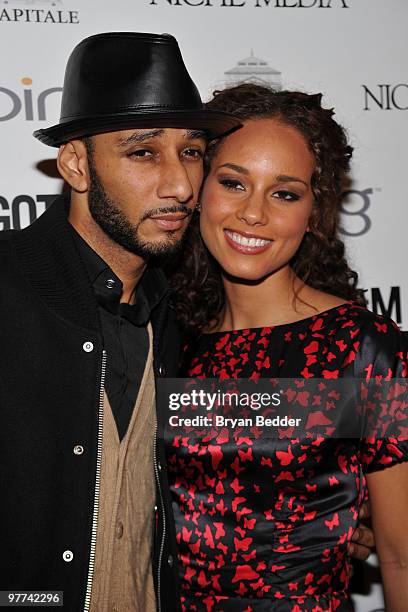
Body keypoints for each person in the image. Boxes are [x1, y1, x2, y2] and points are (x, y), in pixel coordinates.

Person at [0, 32, 241, 612]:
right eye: (143, 152)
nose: (181, 185)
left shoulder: (180, 317)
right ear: (77, 164)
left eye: (191, 150)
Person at [167, 84, 408, 611]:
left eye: (284, 193)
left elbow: (400, 555)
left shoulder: (361, 347)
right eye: (233, 183)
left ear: (313, 211)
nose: (253, 214)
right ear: (197, 190)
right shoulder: (167, 344)